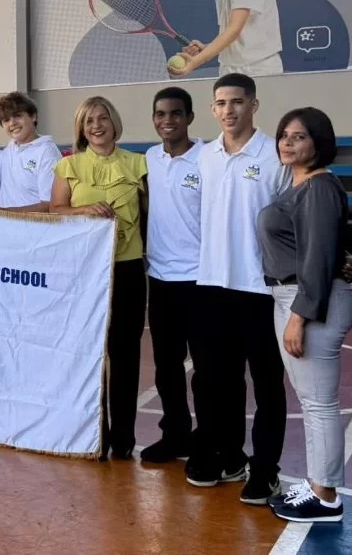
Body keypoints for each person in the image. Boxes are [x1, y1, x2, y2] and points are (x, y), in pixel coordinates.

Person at [187, 73, 286, 505]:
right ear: (213, 109)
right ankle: (227, 456)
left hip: (259, 288)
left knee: (266, 385)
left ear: (254, 105)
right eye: (221, 103)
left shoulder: (275, 156)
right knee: (214, 381)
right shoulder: (204, 157)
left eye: (238, 102)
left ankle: (266, 470)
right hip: (211, 284)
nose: (229, 110)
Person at [258, 107, 352, 523]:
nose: (288, 143)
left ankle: (326, 496)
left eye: (299, 136)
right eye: (284, 135)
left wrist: (299, 315)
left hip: (308, 299)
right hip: (294, 296)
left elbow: (315, 259)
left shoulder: (318, 186)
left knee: (318, 403)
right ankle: (318, 483)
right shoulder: (296, 185)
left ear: (319, 142)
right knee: (312, 400)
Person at [44, 97, 147, 461]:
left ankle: (123, 437)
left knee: (125, 354)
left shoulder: (139, 164)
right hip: (85, 272)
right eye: (89, 122)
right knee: (88, 354)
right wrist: (83, 209)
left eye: (103, 118)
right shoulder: (67, 167)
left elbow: (151, 218)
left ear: (114, 121)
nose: (97, 126)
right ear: (81, 129)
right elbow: (56, 212)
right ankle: (93, 434)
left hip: (129, 267)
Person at [140, 87, 209, 464]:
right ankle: (175, 434)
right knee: (166, 367)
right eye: (161, 114)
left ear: (190, 117)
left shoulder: (208, 158)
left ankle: (207, 437)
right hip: (161, 278)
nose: (168, 120)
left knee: (205, 367)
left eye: (176, 114)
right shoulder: (149, 159)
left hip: (200, 278)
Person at [0, 92, 62, 211]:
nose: (12, 123)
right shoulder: (9, 149)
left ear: (33, 116)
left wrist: (2, 211)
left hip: (35, 228)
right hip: (4, 226)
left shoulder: (47, 153)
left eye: (17, 116)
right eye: (6, 120)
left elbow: (48, 206)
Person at [169, 0, 283, 78]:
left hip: (258, 69)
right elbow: (231, 32)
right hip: (228, 69)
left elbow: (234, 30)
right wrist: (207, 48)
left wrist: (195, 62)